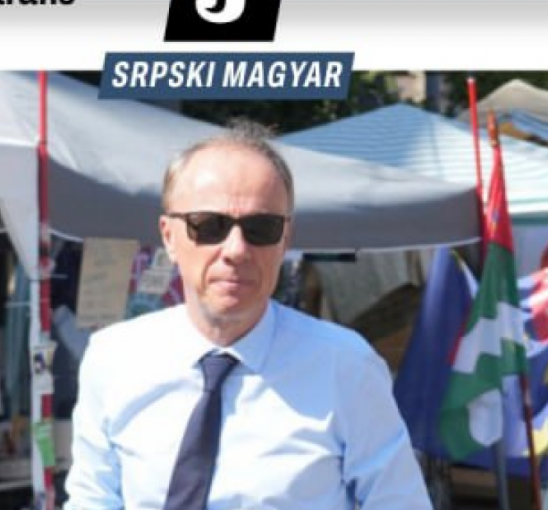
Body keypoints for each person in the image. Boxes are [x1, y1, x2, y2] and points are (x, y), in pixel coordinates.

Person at [64, 121, 432, 510]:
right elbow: (92, 500)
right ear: (169, 236)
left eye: (261, 228)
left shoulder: (345, 367)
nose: (236, 250)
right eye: (209, 226)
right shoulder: (113, 359)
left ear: (285, 240)